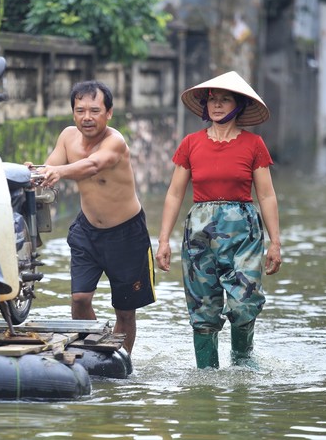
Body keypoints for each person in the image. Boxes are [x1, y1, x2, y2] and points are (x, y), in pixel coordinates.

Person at [155, 71, 282, 369]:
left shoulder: (254, 144)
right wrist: (163, 239)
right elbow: (174, 194)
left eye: (225, 100)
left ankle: (242, 363)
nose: (217, 105)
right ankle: (207, 375)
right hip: (199, 232)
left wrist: (275, 242)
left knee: (243, 303)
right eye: (213, 100)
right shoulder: (190, 144)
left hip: (244, 232)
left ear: (238, 105)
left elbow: (266, 196)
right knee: (203, 309)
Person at [30, 80, 156, 356]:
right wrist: (36, 173)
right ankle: (98, 353)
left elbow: (94, 165)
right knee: (79, 298)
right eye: (80, 110)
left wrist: (60, 172)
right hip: (87, 230)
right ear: (73, 113)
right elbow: (50, 167)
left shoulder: (115, 141)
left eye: (95, 110)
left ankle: (122, 362)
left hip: (127, 235)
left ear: (108, 113)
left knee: (124, 311)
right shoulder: (67, 137)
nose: (87, 117)